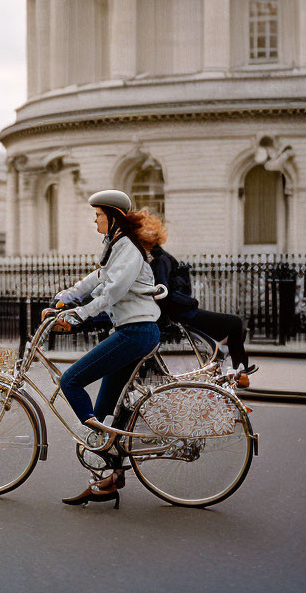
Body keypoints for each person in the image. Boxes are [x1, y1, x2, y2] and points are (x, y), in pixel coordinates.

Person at [54, 190, 164, 508]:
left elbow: (112, 291)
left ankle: (98, 442)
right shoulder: (115, 246)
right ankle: (109, 479)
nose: (95, 219)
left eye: (99, 214)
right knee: (103, 415)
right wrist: (66, 296)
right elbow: (98, 278)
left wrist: (76, 316)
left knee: (70, 381)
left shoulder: (127, 248)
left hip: (136, 333)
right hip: (131, 332)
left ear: (113, 216)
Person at [149, 244, 256, 376]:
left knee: (236, 324)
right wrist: (191, 302)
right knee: (235, 323)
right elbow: (166, 292)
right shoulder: (161, 260)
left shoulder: (160, 259)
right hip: (184, 314)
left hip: (182, 312)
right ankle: (237, 369)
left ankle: (238, 367)